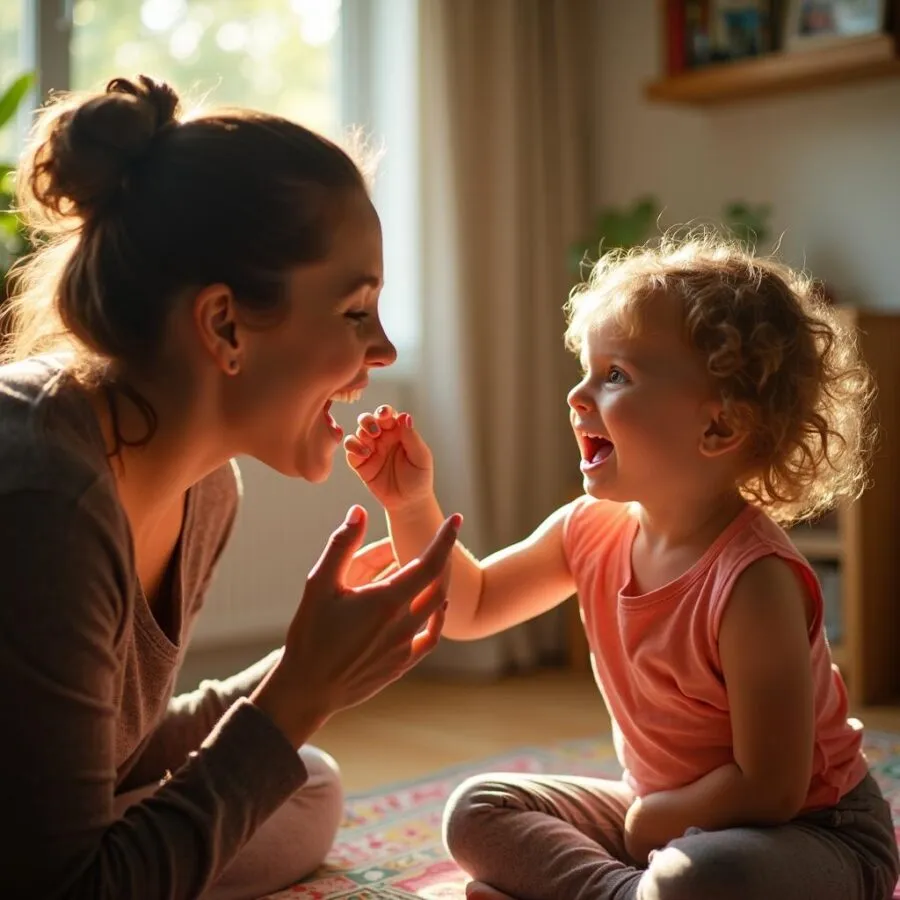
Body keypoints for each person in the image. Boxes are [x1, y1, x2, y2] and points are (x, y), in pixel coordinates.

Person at [0, 74, 461, 899]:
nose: (384, 349)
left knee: (307, 782)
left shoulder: (206, 490)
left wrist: (308, 669)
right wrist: (299, 694)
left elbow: (113, 753)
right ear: (224, 325)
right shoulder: (46, 496)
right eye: (356, 311)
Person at [346, 236, 900, 899]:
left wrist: (652, 823)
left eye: (616, 376)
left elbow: (771, 788)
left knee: (701, 879)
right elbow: (472, 605)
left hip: (815, 832)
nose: (578, 395)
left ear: (719, 427)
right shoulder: (587, 530)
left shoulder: (753, 582)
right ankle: (622, 892)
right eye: (586, 369)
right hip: (662, 818)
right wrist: (411, 505)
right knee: (477, 809)